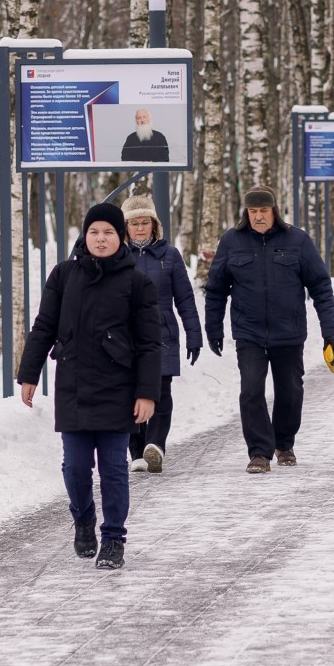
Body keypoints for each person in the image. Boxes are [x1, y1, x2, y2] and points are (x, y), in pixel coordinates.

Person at [17, 203, 162, 570]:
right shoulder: (64, 275)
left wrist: (147, 393)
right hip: (74, 386)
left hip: (119, 389)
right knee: (76, 469)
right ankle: (83, 519)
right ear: (85, 235)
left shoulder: (137, 282)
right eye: (94, 232)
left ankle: (114, 538)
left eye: (109, 232)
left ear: (121, 237)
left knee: (114, 469)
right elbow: (44, 326)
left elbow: (149, 343)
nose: (101, 239)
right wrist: (29, 373)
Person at [204, 185, 334, 474]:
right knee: (251, 390)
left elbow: (320, 287)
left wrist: (331, 331)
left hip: (288, 332)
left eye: (263, 211)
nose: (258, 217)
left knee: (290, 391)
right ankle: (259, 452)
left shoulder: (298, 240)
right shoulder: (232, 241)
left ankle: (284, 442)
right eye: (253, 212)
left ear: (274, 211)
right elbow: (216, 290)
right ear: (246, 213)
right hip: (249, 332)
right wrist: (213, 327)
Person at [122, 194, 203, 474]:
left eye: (145, 222)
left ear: (155, 225)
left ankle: (154, 446)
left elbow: (185, 299)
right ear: (126, 228)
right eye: (134, 224)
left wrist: (195, 335)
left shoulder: (170, 256)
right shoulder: (117, 256)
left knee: (160, 390)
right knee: (129, 393)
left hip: (162, 335)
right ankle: (136, 451)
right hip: (126, 338)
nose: (141, 228)